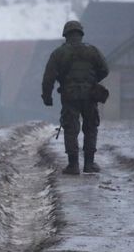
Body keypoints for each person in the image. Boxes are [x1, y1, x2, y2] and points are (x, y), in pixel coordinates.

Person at [42, 20, 110, 174]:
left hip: (70, 96)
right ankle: (89, 164)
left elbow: (48, 77)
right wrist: (91, 81)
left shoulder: (58, 53)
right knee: (90, 127)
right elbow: (105, 70)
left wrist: (47, 97)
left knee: (71, 129)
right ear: (80, 34)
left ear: (66, 35)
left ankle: (73, 165)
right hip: (90, 95)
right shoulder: (92, 51)